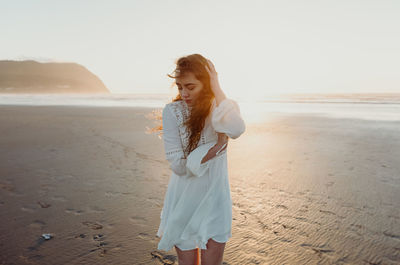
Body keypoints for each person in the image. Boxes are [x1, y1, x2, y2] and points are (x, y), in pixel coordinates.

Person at [156, 54, 246, 265]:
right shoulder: (172, 111)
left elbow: (236, 129)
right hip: (183, 199)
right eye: (179, 87)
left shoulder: (222, 107)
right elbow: (178, 165)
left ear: (205, 84)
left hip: (215, 198)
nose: (184, 93)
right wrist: (212, 150)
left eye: (190, 86)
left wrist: (217, 87)